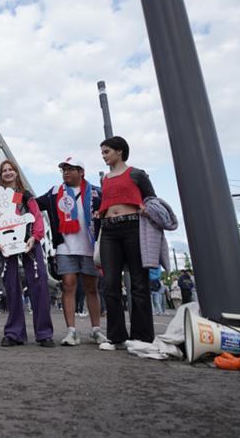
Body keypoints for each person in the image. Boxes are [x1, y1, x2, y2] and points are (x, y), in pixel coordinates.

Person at [37, 157, 107, 347]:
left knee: (92, 288)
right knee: (68, 286)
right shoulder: (54, 192)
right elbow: (34, 204)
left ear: (81, 172)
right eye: (64, 170)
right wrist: (10, 197)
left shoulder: (96, 193)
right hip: (65, 247)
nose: (66, 173)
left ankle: (96, 330)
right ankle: (71, 332)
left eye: (70, 169)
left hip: (90, 248)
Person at [0, 159, 55, 347]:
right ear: (0, 175)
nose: (8, 172)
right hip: (6, 244)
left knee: (39, 283)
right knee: (11, 285)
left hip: (29, 241)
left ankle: (44, 333)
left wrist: (36, 237)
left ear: (16, 172)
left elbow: (37, 216)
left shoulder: (25, 195)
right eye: (4, 170)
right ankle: (14, 333)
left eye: (11, 169)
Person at [97, 136, 157, 350]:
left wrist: (146, 210)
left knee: (139, 283)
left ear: (119, 151)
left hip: (133, 227)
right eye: (102, 152)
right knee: (110, 283)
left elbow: (152, 200)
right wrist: (100, 212)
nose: (103, 156)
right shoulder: (105, 179)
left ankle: (142, 337)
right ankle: (116, 336)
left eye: (106, 151)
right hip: (109, 230)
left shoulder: (137, 174)